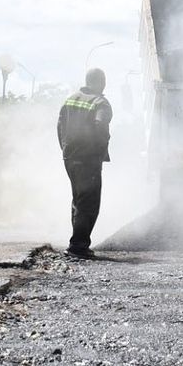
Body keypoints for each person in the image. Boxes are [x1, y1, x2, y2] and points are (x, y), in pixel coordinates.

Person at [57, 67, 112, 257]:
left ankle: (78, 243)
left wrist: (65, 149)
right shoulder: (100, 103)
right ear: (101, 82)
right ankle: (78, 246)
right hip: (88, 160)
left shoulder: (70, 99)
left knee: (78, 200)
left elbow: (60, 126)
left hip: (70, 157)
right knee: (88, 202)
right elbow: (100, 125)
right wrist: (99, 150)